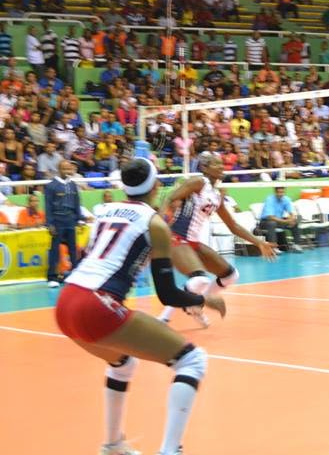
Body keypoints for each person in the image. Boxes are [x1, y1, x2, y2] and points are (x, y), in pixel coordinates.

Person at [54, 158, 226, 455]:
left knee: (123, 364)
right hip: (97, 303)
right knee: (192, 360)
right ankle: (170, 450)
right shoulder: (155, 223)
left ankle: (112, 445)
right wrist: (203, 299)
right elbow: (168, 295)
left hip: (67, 300)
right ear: (156, 186)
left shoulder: (104, 211)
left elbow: (85, 258)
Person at [158, 152, 276, 326]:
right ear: (205, 168)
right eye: (216, 164)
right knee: (199, 279)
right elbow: (171, 198)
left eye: (222, 163)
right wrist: (160, 225)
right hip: (176, 237)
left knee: (230, 275)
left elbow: (233, 226)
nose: (221, 167)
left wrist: (258, 242)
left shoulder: (216, 196)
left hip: (193, 242)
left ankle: (195, 306)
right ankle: (164, 318)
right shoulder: (198, 183)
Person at [44, 160, 84, 288]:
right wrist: (50, 223)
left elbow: (77, 202)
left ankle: (75, 275)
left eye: (69, 168)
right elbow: (48, 206)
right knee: (55, 250)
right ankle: (52, 276)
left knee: (73, 250)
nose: (67, 171)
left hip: (71, 221)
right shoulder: (51, 186)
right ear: (59, 169)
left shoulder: (72, 185)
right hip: (57, 221)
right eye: (65, 168)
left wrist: (79, 219)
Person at [259, 186, 304, 253]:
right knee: (272, 223)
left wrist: (292, 219)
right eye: (279, 192)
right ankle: (273, 247)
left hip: (279, 220)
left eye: (282, 192)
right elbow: (270, 217)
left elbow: (291, 212)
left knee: (295, 222)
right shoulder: (269, 199)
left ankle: (296, 245)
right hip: (265, 222)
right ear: (275, 192)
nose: (280, 194)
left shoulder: (286, 199)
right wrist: (285, 221)